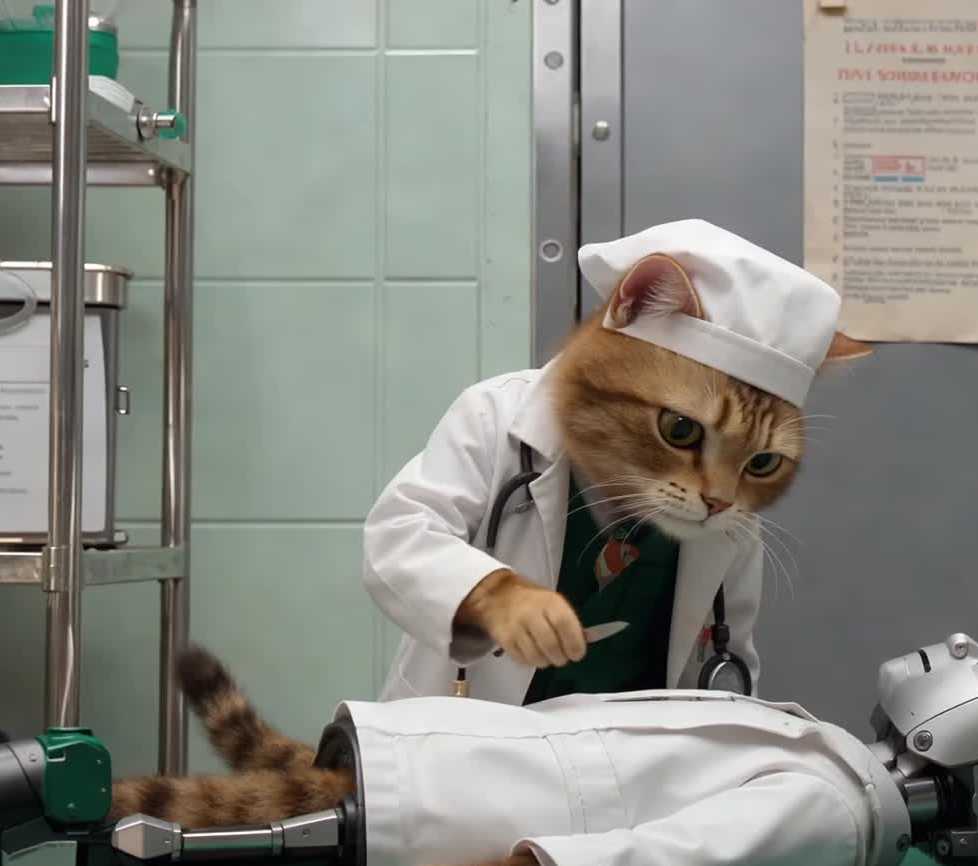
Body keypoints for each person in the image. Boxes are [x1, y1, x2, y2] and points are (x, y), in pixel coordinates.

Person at [363, 219, 871, 704]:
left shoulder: (732, 516)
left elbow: (728, 658)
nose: (719, 495)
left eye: (760, 463)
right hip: (469, 739)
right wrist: (495, 597)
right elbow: (399, 535)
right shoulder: (495, 414)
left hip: (630, 751)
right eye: (682, 430)